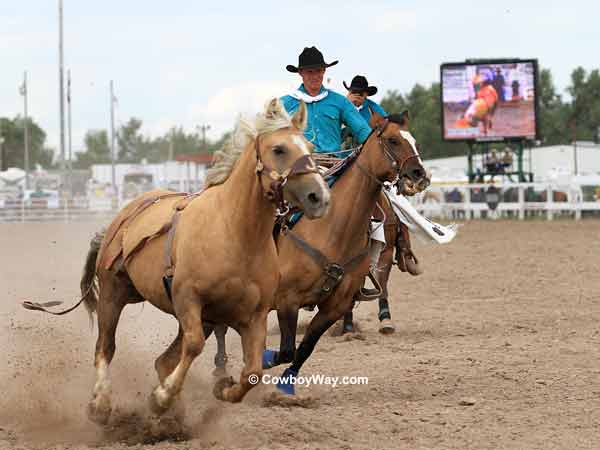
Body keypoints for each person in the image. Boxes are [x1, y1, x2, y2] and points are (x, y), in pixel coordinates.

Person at [281, 46, 371, 156]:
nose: (315, 76)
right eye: (310, 72)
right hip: (299, 168)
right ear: (300, 72)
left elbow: (362, 129)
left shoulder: (340, 102)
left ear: (324, 71)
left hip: (334, 168)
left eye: (318, 71)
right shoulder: (283, 104)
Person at [342, 75, 387, 148]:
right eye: (354, 92)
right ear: (349, 93)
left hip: (369, 153)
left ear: (366, 94)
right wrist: (346, 104)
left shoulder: (377, 110)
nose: (357, 96)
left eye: (360, 93)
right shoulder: (341, 106)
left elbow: (387, 132)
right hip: (342, 155)